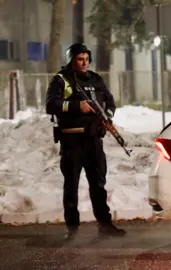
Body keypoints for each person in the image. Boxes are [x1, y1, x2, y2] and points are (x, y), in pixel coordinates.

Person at [46, 43, 126, 240]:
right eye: (80, 59)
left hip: (93, 141)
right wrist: (76, 105)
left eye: (86, 59)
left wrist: (106, 117)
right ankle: (72, 229)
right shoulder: (61, 80)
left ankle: (105, 225)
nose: (84, 63)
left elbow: (110, 102)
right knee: (71, 187)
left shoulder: (96, 79)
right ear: (71, 60)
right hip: (72, 142)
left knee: (98, 184)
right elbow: (51, 104)